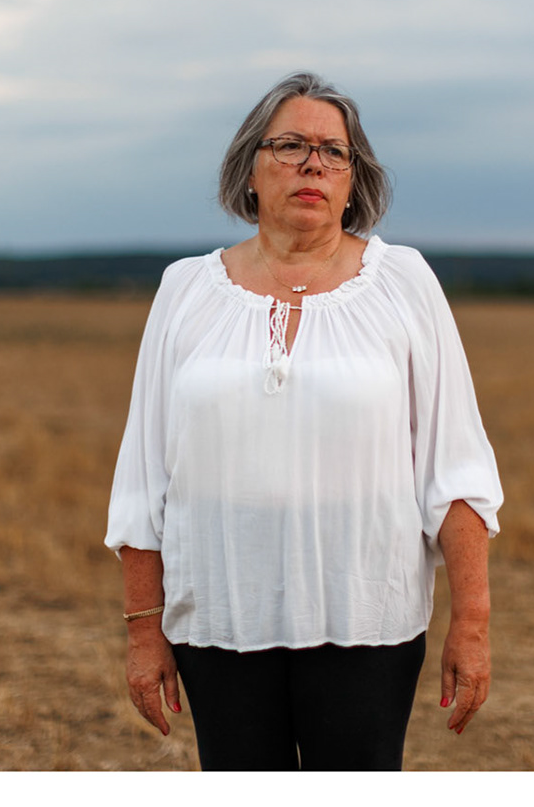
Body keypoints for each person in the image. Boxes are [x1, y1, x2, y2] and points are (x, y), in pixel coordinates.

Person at [107, 73, 501, 771]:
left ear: (355, 182)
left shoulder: (404, 283)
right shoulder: (185, 290)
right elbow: (143, 481)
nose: (313, 163)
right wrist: (144, 630)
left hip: (366, 621)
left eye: (334, 151)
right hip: (219, 620)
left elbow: (456, 468)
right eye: (290, 145)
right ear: (249, 170)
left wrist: (472, 620)